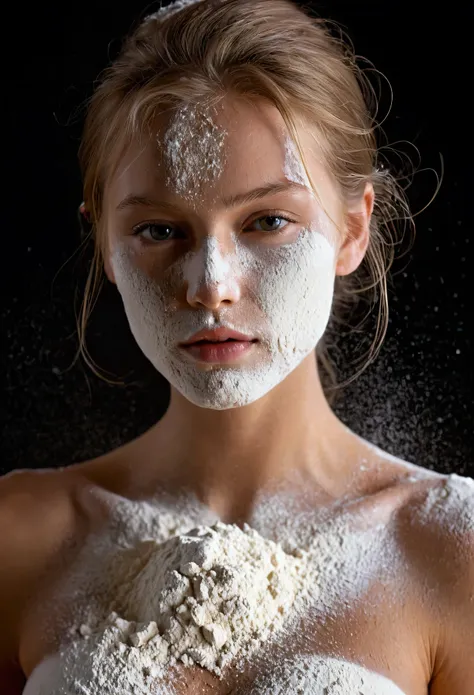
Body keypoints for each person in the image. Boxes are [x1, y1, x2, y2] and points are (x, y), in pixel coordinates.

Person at [1, 0, 472, 693]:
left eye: (268, 221)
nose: (211, 285)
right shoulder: (19, 540)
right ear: (104, 242)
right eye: (160, 231)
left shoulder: (448, 549)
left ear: (351, 230)